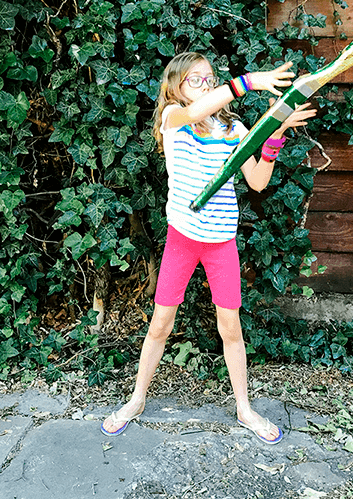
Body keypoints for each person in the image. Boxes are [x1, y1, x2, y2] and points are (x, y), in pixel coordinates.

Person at [101, 51, 317, 444]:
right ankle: (136, 400)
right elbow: (198, 109)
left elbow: (257, 181)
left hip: (221, 243)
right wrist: (247, 82)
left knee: (230, 328)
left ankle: (244, 409)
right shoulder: (174, 120)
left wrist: (274, 133)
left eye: (210, 78)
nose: (206, 84)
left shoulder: (233, 129)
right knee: (161, 324)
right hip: (182, 239)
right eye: (196, 79)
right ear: (176, 86)